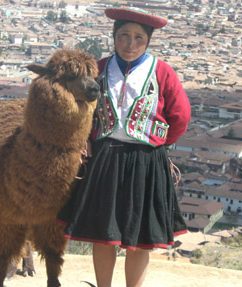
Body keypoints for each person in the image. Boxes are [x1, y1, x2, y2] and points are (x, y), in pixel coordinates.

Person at [57, 6, 191, 287]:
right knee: (103, 234)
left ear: (148, 41)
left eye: (138, 38)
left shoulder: (162, 72)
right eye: (124, 36)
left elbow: (180, 115)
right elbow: (78, 109)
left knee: (140, 239)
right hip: (105, 158)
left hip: (146, 160)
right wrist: (84, 139)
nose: (130, 44)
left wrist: (160, 144)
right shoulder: (99, 69)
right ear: (114, 36)